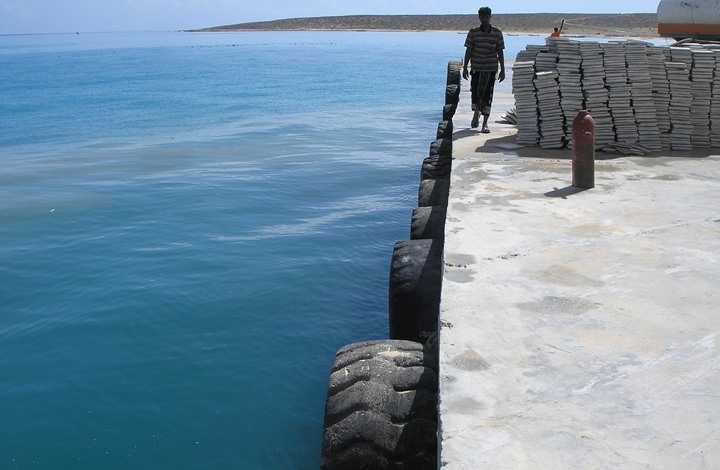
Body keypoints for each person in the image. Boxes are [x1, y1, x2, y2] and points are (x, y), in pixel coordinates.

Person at [462, 6, 505, 133]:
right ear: (479, 18)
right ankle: (476, 113)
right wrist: (464, 68)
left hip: (491, 69)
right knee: (475, 93)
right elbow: (468, 50)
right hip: (476, 68)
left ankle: (485, 124)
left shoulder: (497, 33)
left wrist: (503, 69)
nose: (484, 19)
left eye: (487, 17)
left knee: (488, 95)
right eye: (482, 17)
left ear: (490, 17)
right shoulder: (473, 32)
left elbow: (500, 51)